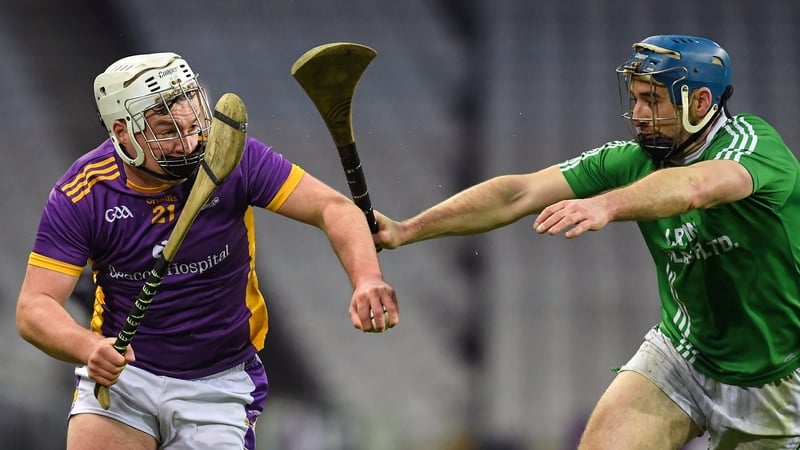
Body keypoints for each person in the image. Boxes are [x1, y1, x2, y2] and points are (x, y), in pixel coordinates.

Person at [373, 34, 800, 449]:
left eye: (652, 101)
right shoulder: (632, 159)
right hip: (683, 355)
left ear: (701, 102)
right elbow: (518, 193)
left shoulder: (754, 145)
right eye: (635, 98)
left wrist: (607, 204)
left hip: (776, 377)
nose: (637, 114)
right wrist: (407, 229)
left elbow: (695, 187)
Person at [15, 52, 399, 450]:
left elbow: (333, 209)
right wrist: (89, 347)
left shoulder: (231, 157)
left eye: (192, 125)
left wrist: (366, 278)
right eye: (167, 131)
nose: (187, 143)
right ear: (122, 131)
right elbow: (34, 306)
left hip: (218, 387)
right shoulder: (84, 192)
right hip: (125, 379)